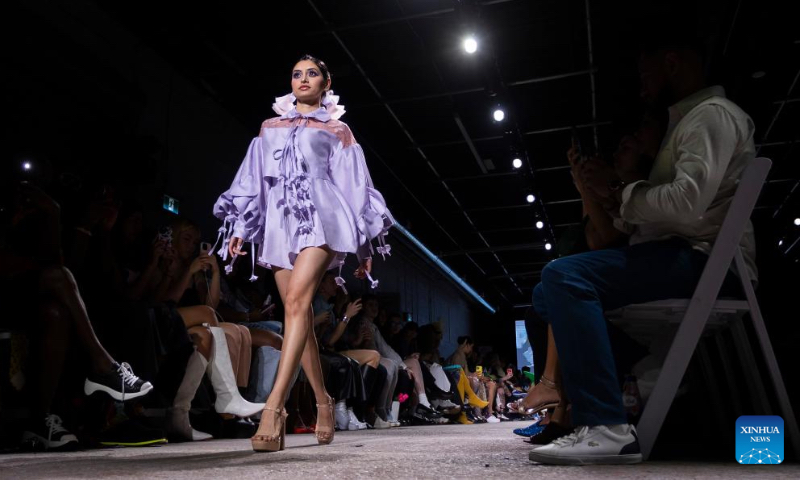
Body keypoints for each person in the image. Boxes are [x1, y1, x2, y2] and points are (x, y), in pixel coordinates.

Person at [527, 30, 756, 465]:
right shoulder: (689, 120)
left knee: (564, 274)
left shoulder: (711, 115)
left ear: (672, 63)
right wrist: (610, 194)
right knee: (546, 293)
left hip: (709, 262)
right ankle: (640, 370)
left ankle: (604, 424)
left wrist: (618, 188)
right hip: (686, 255)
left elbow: (687, 205)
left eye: (645, 74)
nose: (642, 86)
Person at [213, 54, 394, 452]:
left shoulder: (338, 130)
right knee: (299, 314)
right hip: (280, 222)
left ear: (326, 83)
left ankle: (273, 407)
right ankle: (323, 401)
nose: (303, 79)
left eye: (312, 74)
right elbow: (256, 180)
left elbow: (353, 185)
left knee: (296, 300)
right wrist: (243, 226)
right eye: (296, 74)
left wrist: (362, 242)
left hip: (322, 216)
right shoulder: (269, 128)